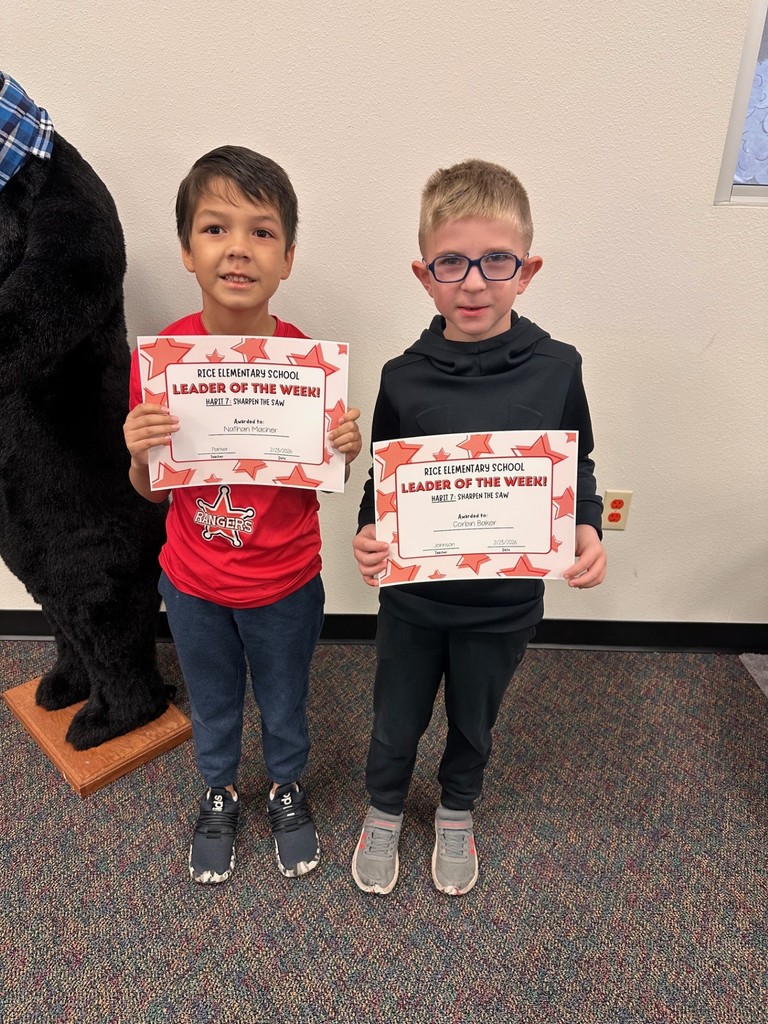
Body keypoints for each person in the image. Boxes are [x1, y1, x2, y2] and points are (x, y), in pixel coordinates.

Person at [351, 159, 606, 897]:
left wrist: (586, 526)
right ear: (422, 273)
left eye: (496, 261)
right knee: (395, 721)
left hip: (504, 606)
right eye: (451, 262)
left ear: (526, 270)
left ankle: (458, 808)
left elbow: (576, 463)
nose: (472, 281)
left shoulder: (558, 368)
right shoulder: (403, 376)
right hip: (414, 602)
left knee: (474, 721)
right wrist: (371, 531)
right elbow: (383, 477)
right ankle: (385, 807)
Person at [124, 146, 361, 884]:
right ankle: (220, 788)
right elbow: (151, 494)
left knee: (287, 701)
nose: (238, 248)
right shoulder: (163, 361)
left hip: (288, 581)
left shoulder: (307, 365)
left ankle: (286, 785)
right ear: (188, 251)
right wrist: (138, 452)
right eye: (216, 228)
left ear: (288, 257)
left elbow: (324, 482)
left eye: (261, 232)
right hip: (192, 582)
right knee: (215, 699)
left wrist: (344, 448)